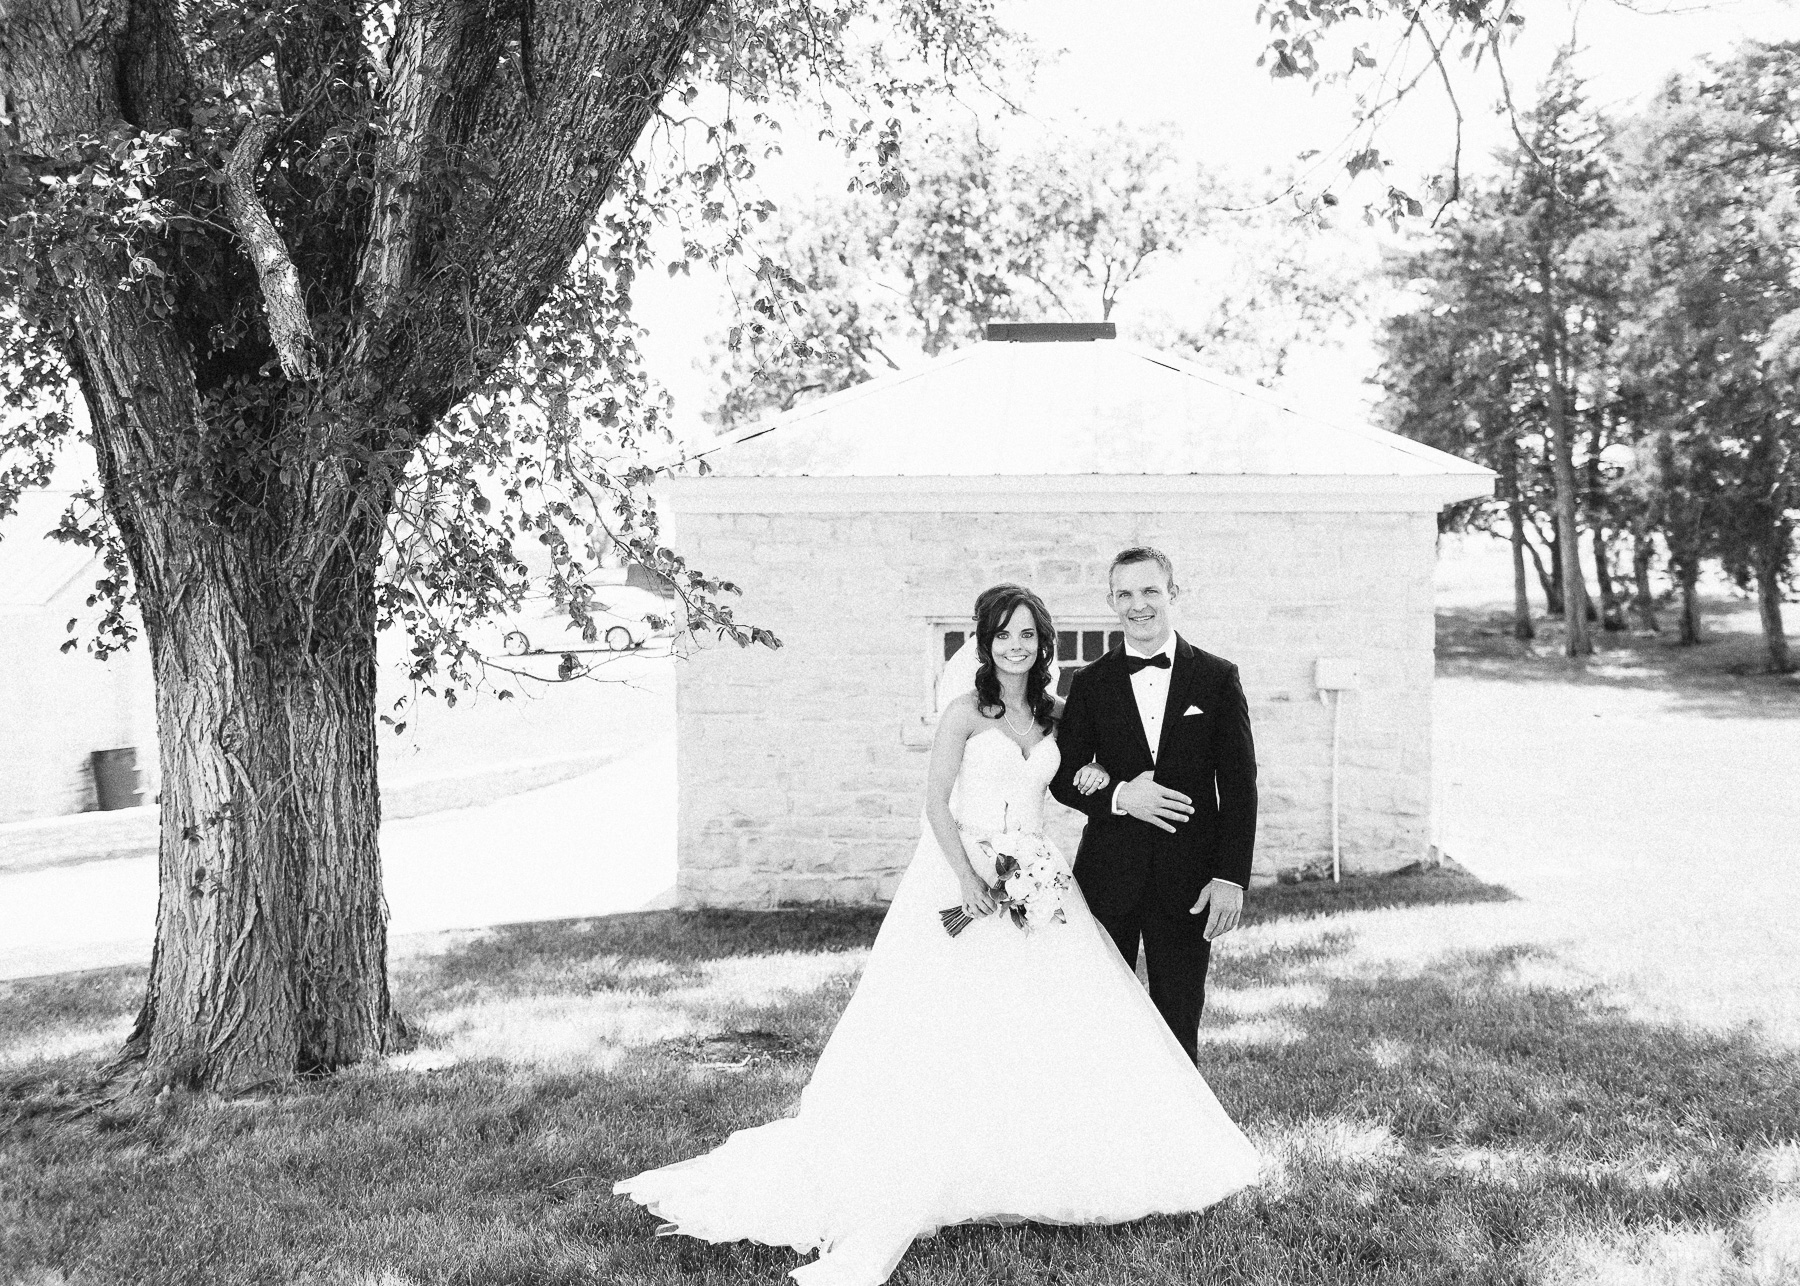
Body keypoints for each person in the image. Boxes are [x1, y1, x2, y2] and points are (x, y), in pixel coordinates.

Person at [614, 582, 1258, 1286]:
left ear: (1045, 646)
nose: (1019, 646)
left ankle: (1038, 1156)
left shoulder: (1058, 714)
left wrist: (1109, 791)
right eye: (1006, 634)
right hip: (963, 881)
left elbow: (1076, 775)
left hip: (1038, 881)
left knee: (1052, 1026)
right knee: (947, 1028)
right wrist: (967, 879)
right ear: (984, 642)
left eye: (1031, 636)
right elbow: (934, 802)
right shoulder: (962, 713)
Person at [1049, 545, 1259, 1064]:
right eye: (1125, 594)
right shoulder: (1090, 683)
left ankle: (1181, 1139)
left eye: (1150, 591)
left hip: (1188, 881)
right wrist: (1121, 795)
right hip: (1105, 877)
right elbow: (1062, 777)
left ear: (1173, 594)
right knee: (1101, 1016)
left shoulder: (1216, 676)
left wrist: (1231, 877)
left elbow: (1239, 785)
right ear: (1111, 601)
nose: (1137, 604)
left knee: (1178, 1017)